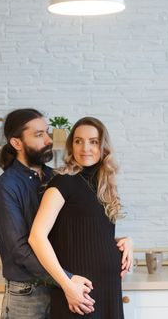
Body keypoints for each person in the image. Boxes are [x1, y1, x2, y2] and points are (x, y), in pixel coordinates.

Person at [0, 109, 96, 319]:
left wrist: (121, 241)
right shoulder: (5, 188)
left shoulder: (55, 177)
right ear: (17, 143)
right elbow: (20, 250)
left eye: (47, 132)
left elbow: (78, 225)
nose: (48, 140)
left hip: (60, 288)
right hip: (27, 294)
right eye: (39, 135)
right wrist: (66, 279)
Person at [28, 116, 132, 318]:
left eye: (93, 141)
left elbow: (88, 234)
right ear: (71, 146)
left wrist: (123, 241)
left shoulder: (104, 185)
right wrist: (67, 286)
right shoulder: (63, 182)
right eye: (78, 141)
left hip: (108, 290)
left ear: (103, 147)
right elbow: (36, 237)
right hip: (80, 294)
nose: (85, 147)